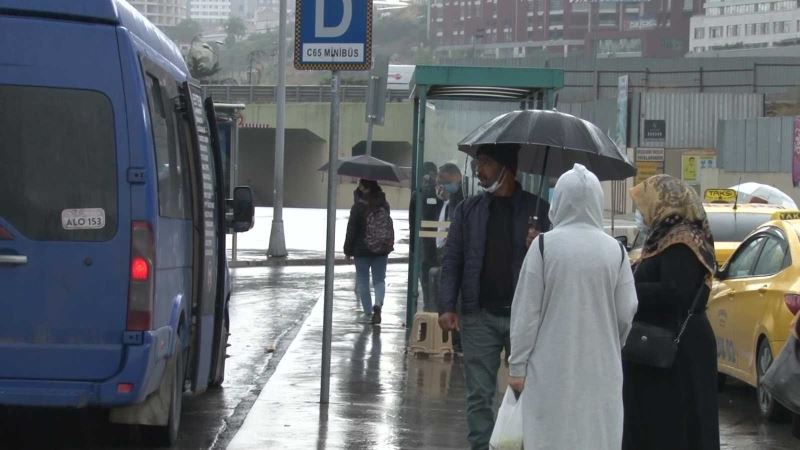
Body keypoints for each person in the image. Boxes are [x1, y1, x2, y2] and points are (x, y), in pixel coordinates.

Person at [507, 164, 638, 450]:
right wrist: (610, 343)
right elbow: (627, 311)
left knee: (550, 436)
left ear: (559, 201)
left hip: (549, 369)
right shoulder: (615, 251)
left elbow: (526, 313)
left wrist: (517, 366)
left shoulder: (543, 247)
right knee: (596, 436)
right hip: (601, 369)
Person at [438, 143, 550, 450]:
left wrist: (540, 245)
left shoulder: (538, 210)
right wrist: (447, 305)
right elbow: (453, 259)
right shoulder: (468, 210)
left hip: (524, 318)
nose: (478, 170)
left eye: (485, 162)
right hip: (478, 316)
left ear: (506, 167)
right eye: (477, 163)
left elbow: (555, 265)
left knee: (527, 391)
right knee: (478, 395)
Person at [623, 174, 720, 450]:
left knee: (675, 430)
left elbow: (674, 292)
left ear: (664, 203)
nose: (640, 214)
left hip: (677, 354)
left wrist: (628, 291)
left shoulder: (682, 242)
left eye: (643, 205)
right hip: (659, 351)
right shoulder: (662, 239)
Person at [344, 179, 394, 325]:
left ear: (365, 188)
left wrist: (348, 250)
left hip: (361, 251)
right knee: (379, 280)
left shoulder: (358, 207)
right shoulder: (384, 204)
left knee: (363, 282)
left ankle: (368, 313)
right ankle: (378, 304)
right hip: (381, 249)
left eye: (360, 185)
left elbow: (351, 230)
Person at [410, 162, 442, 309]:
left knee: (426, 276)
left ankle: (429, 305)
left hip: (426, 243)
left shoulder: (420, 193)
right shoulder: (426, 194)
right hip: (433, 244)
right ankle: (431, 305)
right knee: (433, 276)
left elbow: (413, 222)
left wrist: (413, 246)